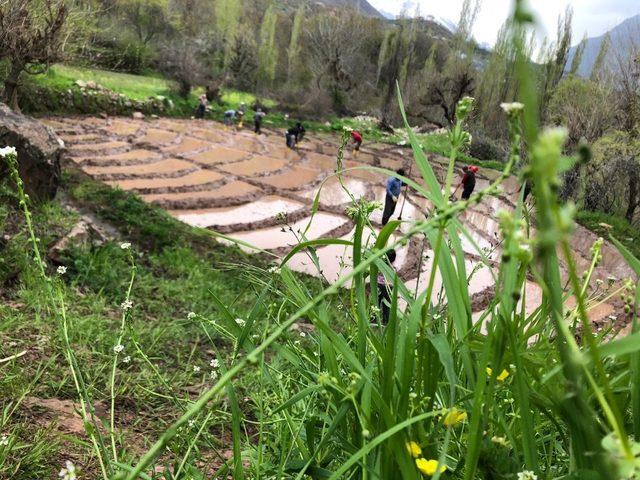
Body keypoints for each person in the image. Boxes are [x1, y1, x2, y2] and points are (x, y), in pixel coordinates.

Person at [376, 249, 397, 325]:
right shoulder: (393, 269)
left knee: (376, 303)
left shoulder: (380, 266)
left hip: (379, 285)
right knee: (387, 305)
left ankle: (374, 319)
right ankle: (386, 322)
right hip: (389, 287)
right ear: (393, 259)